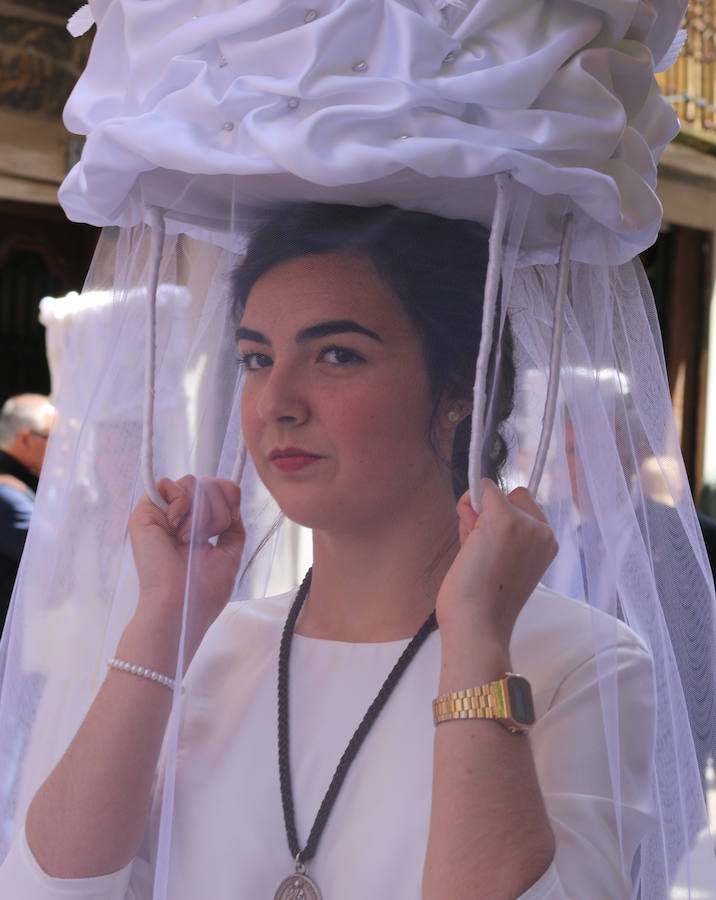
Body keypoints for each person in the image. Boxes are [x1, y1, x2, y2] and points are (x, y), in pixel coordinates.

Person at [0, 205, 657, 899]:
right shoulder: (221, 646)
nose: (275, 401)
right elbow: (50, 890)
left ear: (460, 387)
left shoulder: (581, 662)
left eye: (336, 354)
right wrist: (164, 617)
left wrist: (476, 643)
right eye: (257, 358)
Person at [0, 394, 55, 629]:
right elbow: (49, 553)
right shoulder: (6, 491)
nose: (63, 445)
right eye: (53, 436)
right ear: (25, 439)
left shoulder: (21, 481)